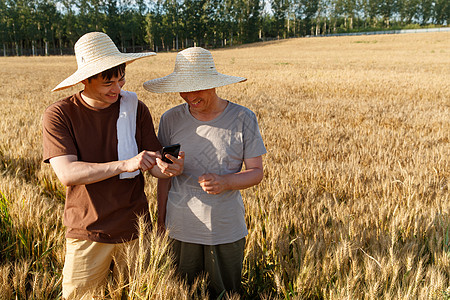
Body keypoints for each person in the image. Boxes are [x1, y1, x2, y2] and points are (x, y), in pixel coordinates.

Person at [42, 32, 184, 299]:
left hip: (135, 229)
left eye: (121, 80)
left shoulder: (135, 108)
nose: (117, 90)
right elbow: (68, 173)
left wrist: (166, 168)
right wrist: (125, 164)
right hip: (87, 232)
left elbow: (152, 163)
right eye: (108, 83)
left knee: (139, 294)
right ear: (85, 79)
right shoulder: (59, 115)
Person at [143, 47, 266, 298]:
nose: (189, 96)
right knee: (183, 292)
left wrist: (227, 181)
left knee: (225, 292)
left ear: (213, 83)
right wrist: (161, 220)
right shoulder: (170, 119)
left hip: (225, 228)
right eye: (183, 88)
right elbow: (161, 174)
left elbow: (256, 172)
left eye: (197, 87)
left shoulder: (243, 118)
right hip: (180, 228)